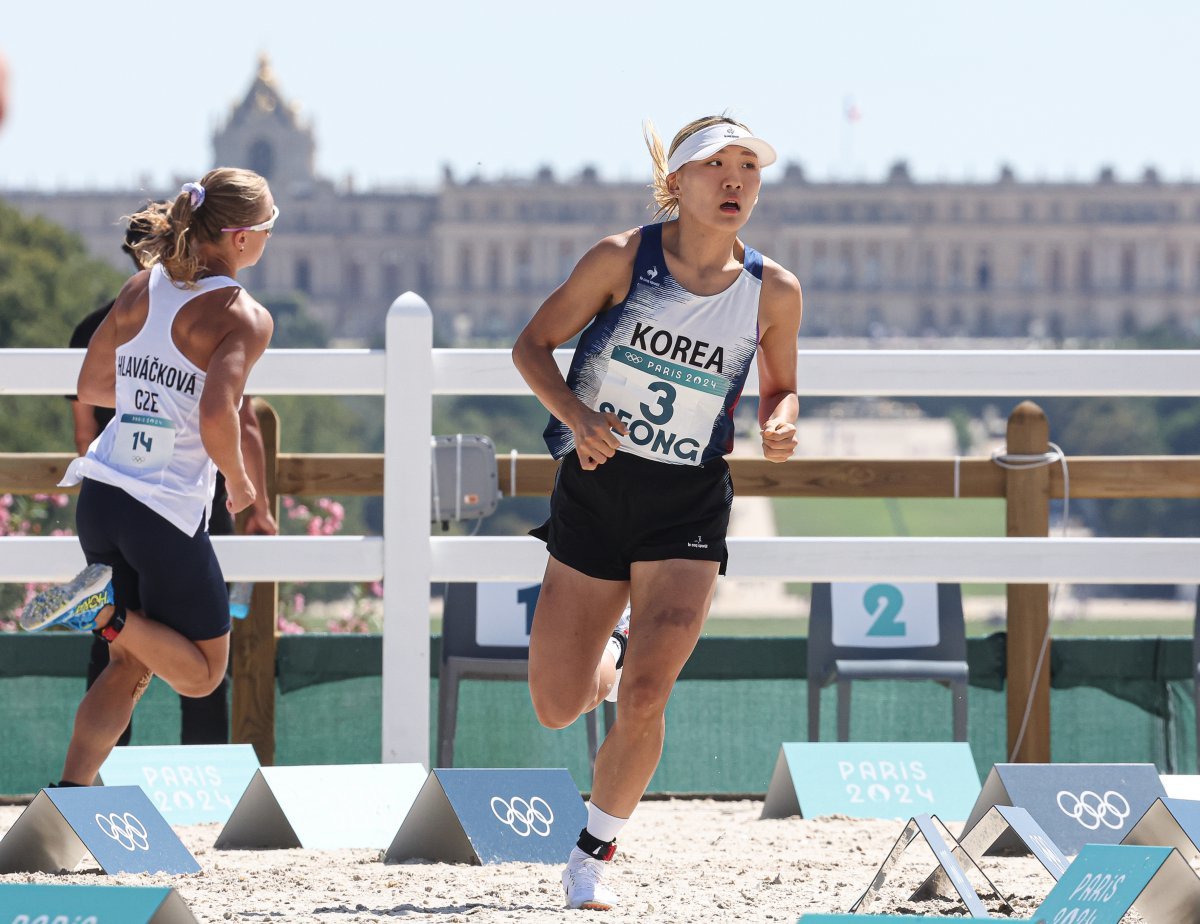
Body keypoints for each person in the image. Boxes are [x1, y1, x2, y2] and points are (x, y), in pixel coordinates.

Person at [512, 115, 802, 910]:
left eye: (749, 167)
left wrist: (780, 419)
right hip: (599, 487)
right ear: (678, 182)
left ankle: (590, 858)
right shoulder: (621, 259)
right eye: (717, 166)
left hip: (688, 500)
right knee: (558, 703)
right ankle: (612, 640)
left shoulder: (772, 290)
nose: (736, 180)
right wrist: (576, 418)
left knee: (648, 694)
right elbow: (531, 347)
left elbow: (780, 383)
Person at [20, 167, 276, 788]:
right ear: (241, 238)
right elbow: (219, 415)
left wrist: (150, 397)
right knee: (203, 671)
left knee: (130, 667)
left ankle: (70, 796)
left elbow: (89, 385)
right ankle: (101, 613)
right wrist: (241, 487)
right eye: (269, 228)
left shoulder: (144, 285)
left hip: (104, 492)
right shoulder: (243, 314)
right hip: (160, 509)